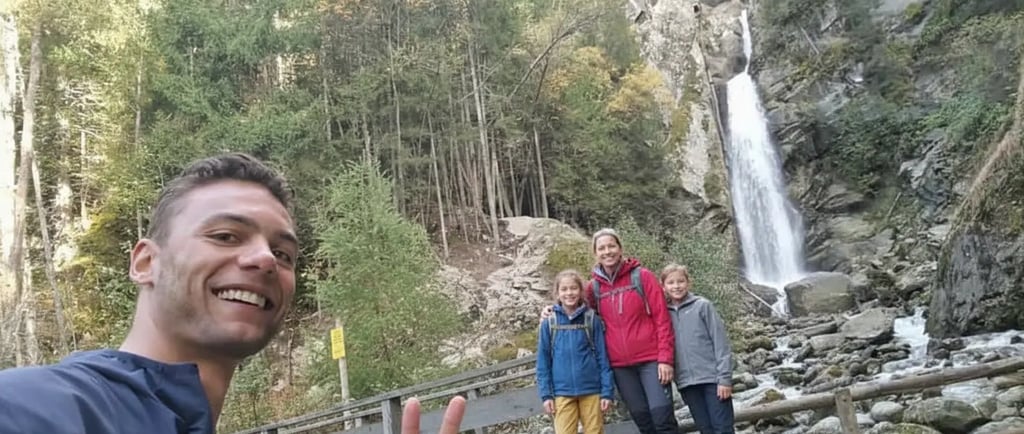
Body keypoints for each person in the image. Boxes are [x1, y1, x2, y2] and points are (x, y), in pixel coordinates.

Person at [0, 153, 467, 434]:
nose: (266, 259)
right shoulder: (53, 407)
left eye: (283, 253)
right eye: (225, 236)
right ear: (145, 262)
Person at [542, 228, 677, 434]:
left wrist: (665, 359)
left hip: (651, 359)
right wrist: (550, 310)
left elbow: (662, 318)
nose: (607, 252)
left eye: (611, 246)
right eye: (602, 248)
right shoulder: (593, 288)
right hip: (620, 366)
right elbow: (573, 307)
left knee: (662, 417)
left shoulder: (643, 277)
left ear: (620, 248)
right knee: (642, 419)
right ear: (595, 253)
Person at [536, 269, 615, 434]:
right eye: (564, 289)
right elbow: (543, 362)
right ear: (557, 293)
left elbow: (602, 357)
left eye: (573, 288)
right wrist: (546, 395)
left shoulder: (591, 319)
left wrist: (606, 392)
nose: (569, 293)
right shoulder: (549, 323)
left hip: (592, 390)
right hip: (562, 393)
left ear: (581, 291)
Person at [662, 263, 735, 434]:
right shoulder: (664, 314)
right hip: (687, 383)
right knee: (705, 429)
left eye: (680, 281)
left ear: (689, 282)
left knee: (723, 428)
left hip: (713, 380)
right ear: (663, 286)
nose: (676, 286)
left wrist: (724, 379)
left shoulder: (702, 306)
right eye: (671, 283)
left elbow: (721, 343)